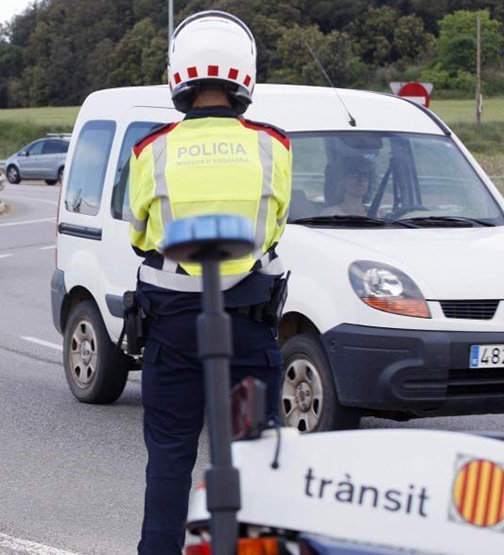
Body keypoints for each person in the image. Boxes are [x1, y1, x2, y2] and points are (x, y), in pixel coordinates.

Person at [128, 11, 292, 553]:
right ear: (245, 77)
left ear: (179, 76)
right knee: (252, 455)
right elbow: (275, 227)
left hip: (172, 326)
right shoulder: (274, 146)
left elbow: (139, 236)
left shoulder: (151, 150)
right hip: (247, 322)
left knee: (170, 457)